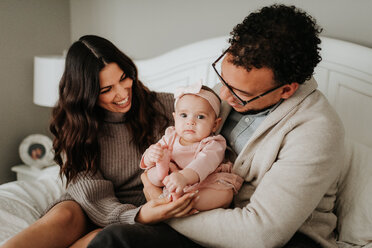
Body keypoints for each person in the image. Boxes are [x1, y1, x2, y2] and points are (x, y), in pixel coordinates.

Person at [89, 4, 344, 248]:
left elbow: (260, 234)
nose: (223, 95)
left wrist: (162, 203)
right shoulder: (229, 91)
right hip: (203, 219)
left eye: (239, 93)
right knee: (113, 240)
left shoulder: (316, 129)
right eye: (223, 79)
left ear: (286, 90)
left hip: (280, 240)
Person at [1, 35, 201, 248]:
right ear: (86, 93)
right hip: (94, 203)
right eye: (107, 90)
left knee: (102, 238)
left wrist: (140, 214)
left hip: (145, 206)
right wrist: (135, 215)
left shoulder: (169, 106)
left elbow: (211, 112)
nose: (123, 93)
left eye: (124, 78)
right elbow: (89, 189)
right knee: (64, 215)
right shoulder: (76, 124)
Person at [141, 82, 243, 210]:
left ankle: (184, 202)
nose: (190, 122)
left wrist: (184, 177)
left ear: (215, 125)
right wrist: (151, 156)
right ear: (175, 118)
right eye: (183, 115)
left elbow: (204, 163)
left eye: (200, 117)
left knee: (225, 194)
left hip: (205, 182)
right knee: (151, 173)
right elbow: (146, 161)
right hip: (171, 180)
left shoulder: (214, 143)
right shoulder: (170, 136)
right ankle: (163, 171)